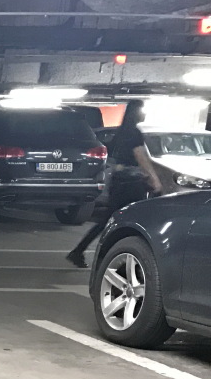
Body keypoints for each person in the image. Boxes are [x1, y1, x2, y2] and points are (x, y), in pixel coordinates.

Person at [66, 100, 163, 268]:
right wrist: (155, 179)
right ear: (136, 112)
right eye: (143, 110)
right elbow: (140, 157)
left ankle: (84, 252)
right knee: (134, 220)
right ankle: (108, 257)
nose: (145, 113)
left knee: (109, 220)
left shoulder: (121, 132)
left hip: (119, 181)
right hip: (132, 183)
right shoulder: (134, 133)